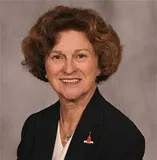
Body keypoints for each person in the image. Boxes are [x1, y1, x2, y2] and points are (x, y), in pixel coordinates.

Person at [17, 5, 145, 160]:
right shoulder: (34, 127)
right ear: (44, 65)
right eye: (57, 57)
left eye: (80, 56)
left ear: (100, 65)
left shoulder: (123, 137)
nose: (69, 69)